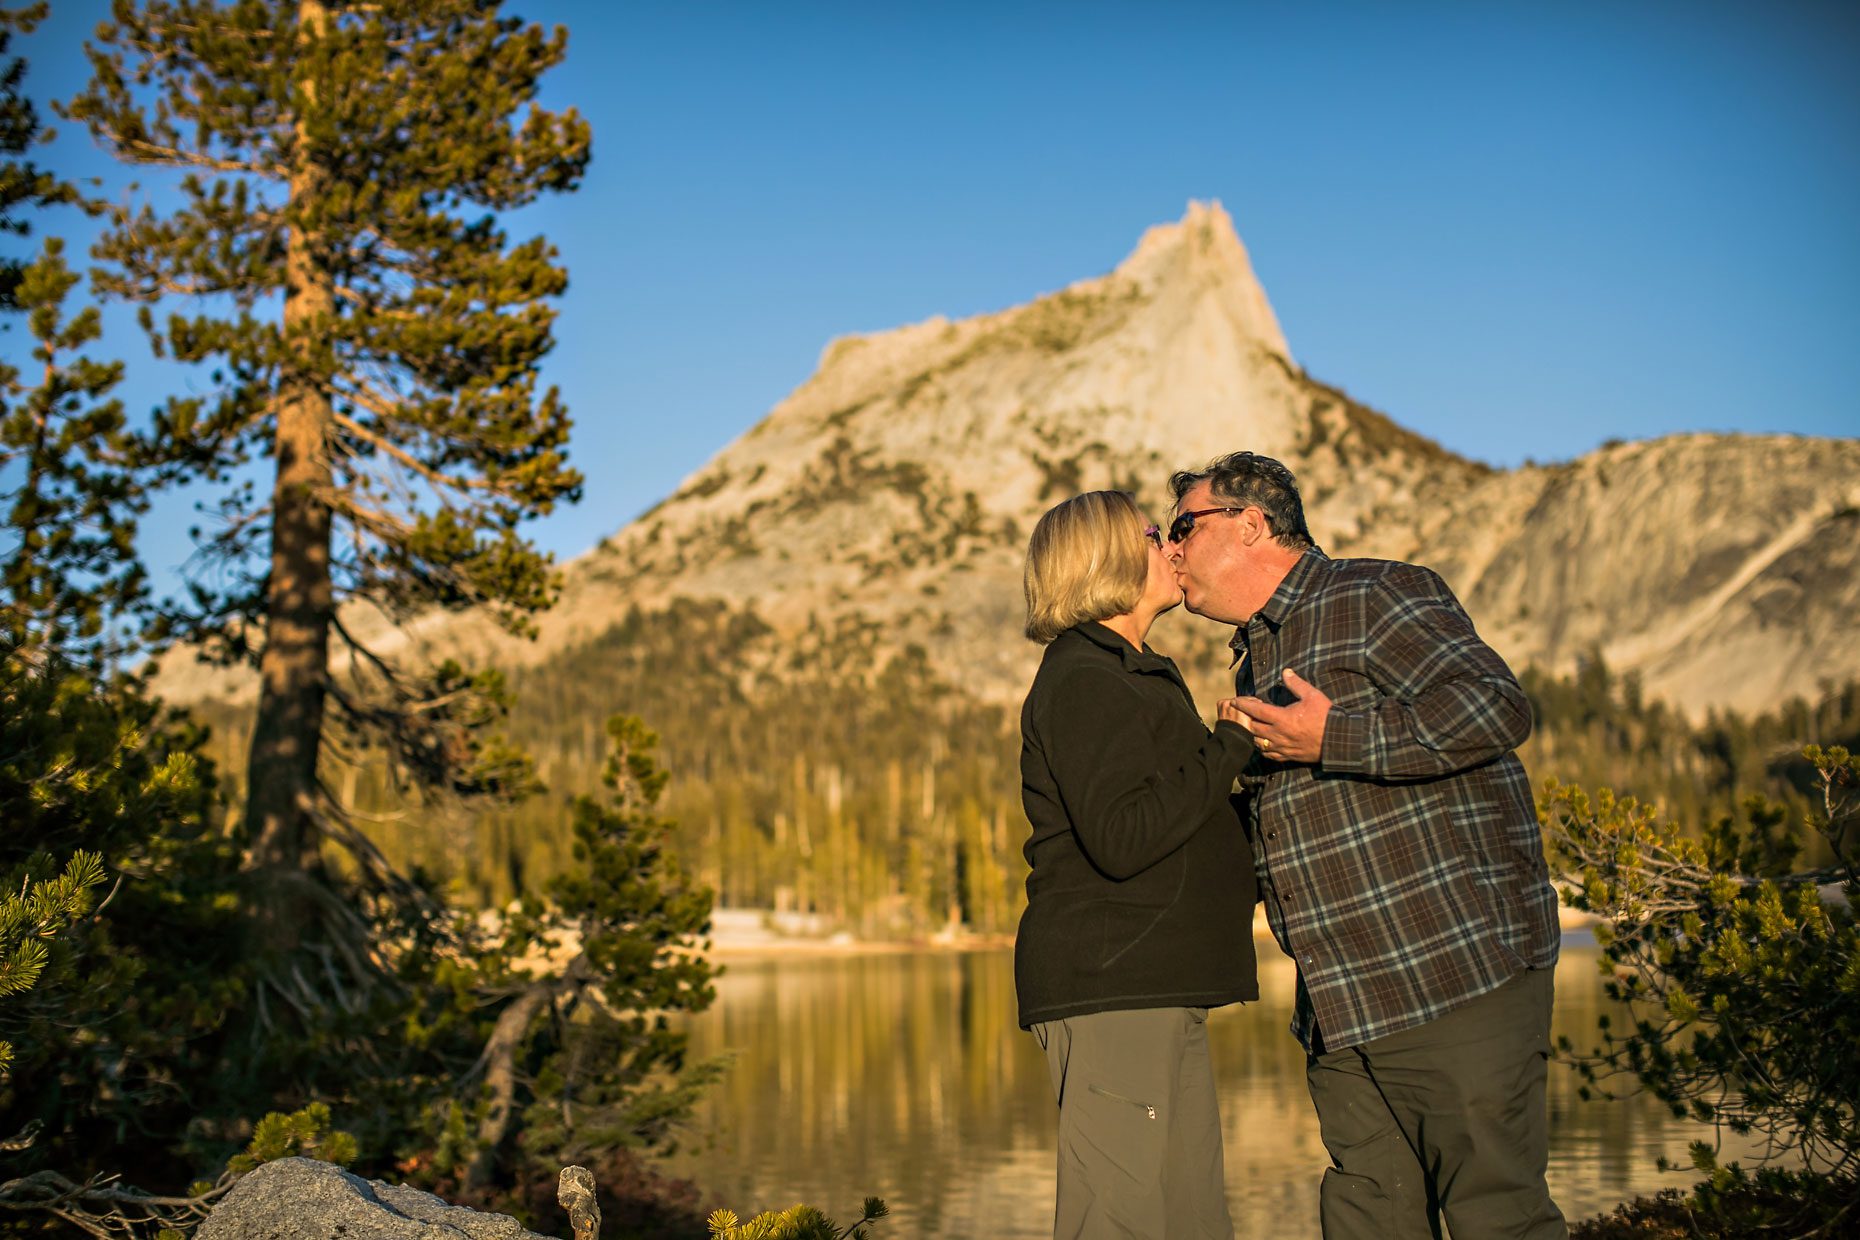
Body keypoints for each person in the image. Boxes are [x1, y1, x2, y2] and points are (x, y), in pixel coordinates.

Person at [1162, 452, 1567, 1240]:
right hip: (1340, 1005)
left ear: (1250, 524)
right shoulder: (1256, 653)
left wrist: (1333, 734)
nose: (1171, 550)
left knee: (1498, 1216)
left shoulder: (1375, 592)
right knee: (1368, 1218)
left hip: (1455, 975)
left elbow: (1495, 708)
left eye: (1183, 527)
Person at [1015, 489, 1259, 1240]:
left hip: (1155, 983)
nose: (1173, 548)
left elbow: (1177, 819)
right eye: (1157, 535)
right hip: (1114, 984)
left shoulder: (1131, 672)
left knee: (1192, 1221)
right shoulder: (1085, 678)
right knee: (1120, 1224)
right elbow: (1123, 836)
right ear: (1109, 558)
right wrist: (1227, 748)